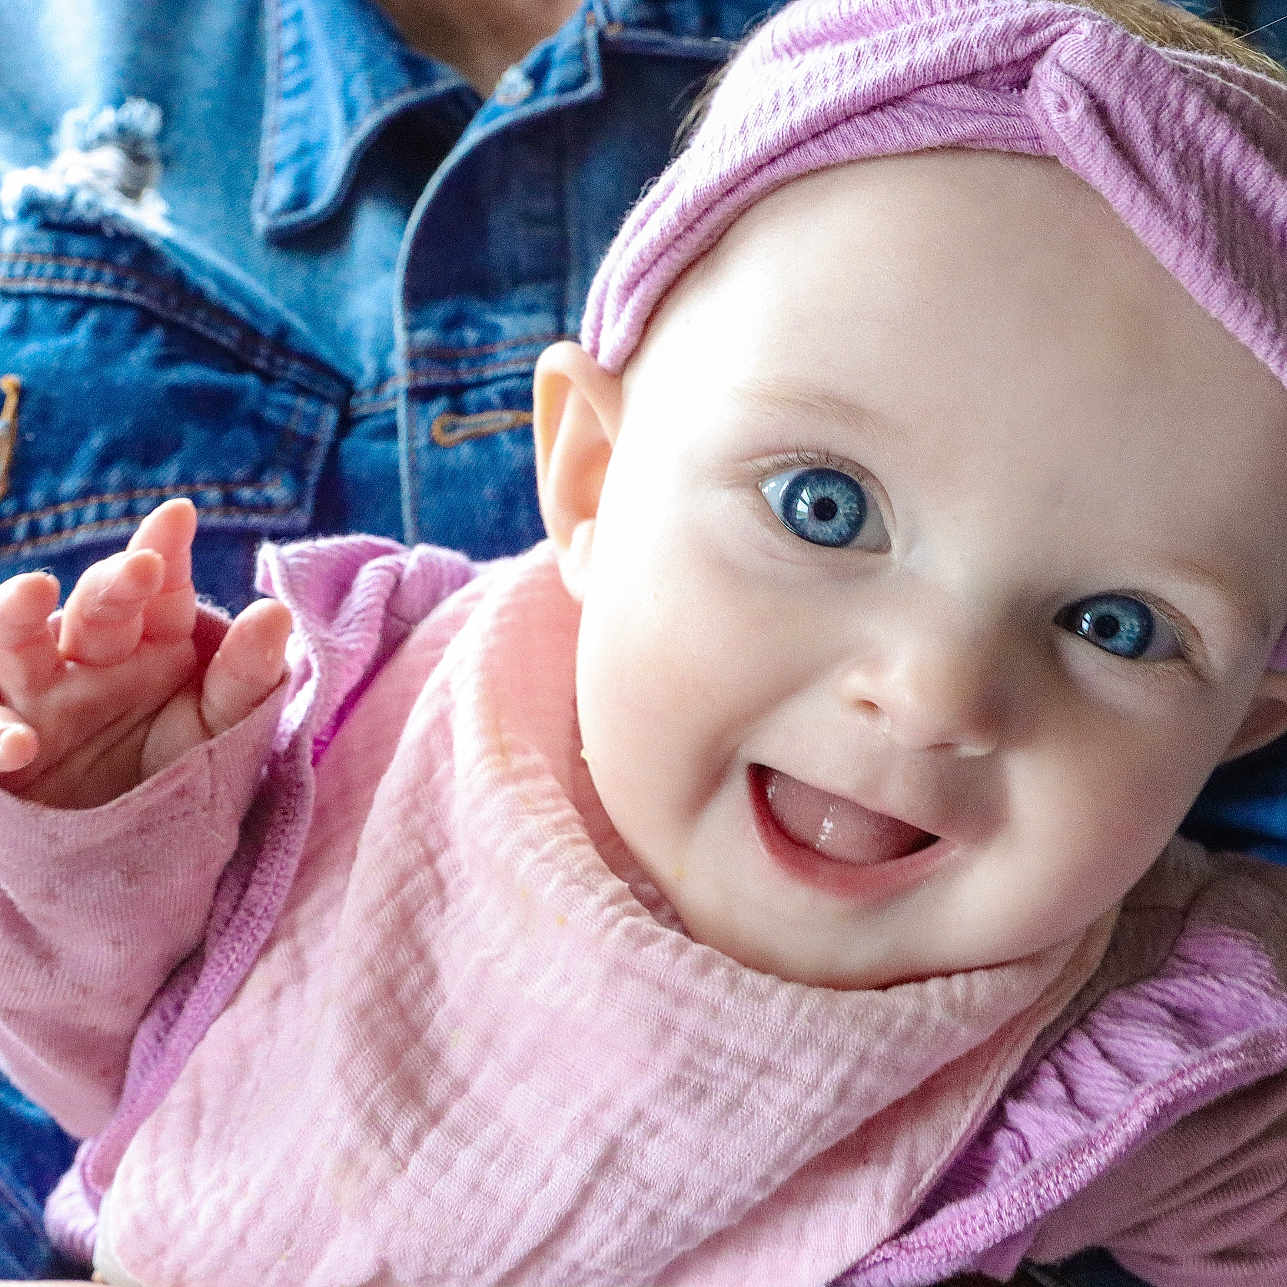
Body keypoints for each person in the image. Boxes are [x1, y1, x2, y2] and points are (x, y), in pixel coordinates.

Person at [2, 0, 1287, 1282]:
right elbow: (123, 1075)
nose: (934, 691)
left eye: (1115, 626)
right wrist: (93, 829)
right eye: (822, 509)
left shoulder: (1144, 1060)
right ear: (593, 477)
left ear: (1248, 719)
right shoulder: (367, 736)